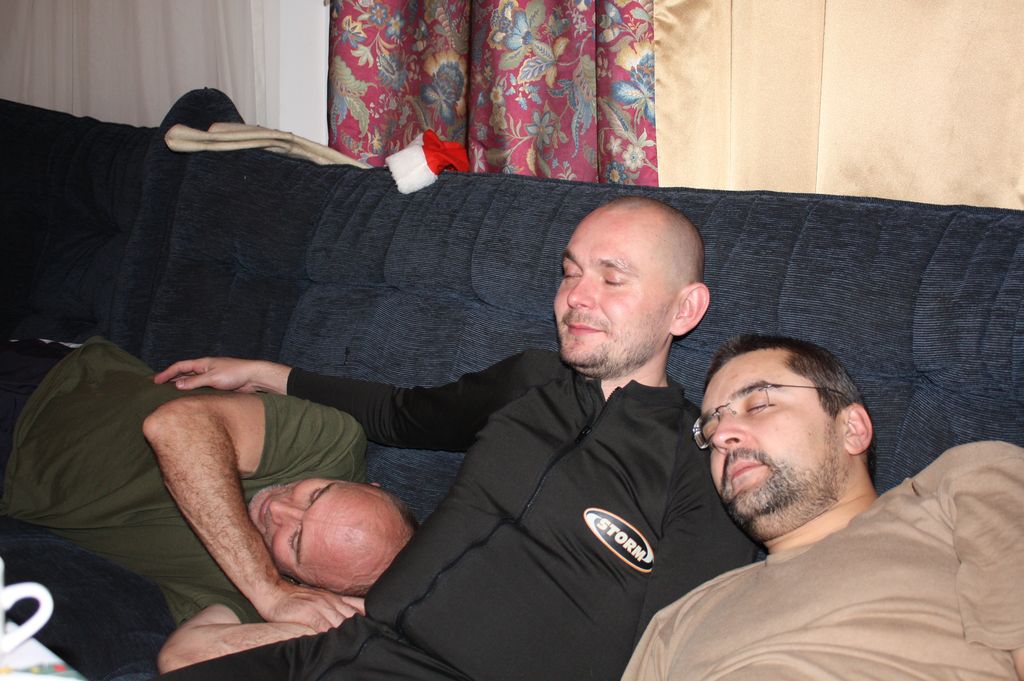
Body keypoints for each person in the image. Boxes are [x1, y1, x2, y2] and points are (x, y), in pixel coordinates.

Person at [153, 196, 759, 680]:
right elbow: (399, 414)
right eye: (571, 272)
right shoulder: (528, 381)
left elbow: (677, 649)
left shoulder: (700, 467)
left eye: (613, 278)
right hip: (351, 651)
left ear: (684, 310)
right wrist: (266, 374)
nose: (575, 296)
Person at [620, 334, 1024, 681]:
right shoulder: (678, 620)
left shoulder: (965, 485)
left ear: (852, 429)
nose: (723, 434)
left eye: (758, 405)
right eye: (710, 428)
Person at [0, 337, 416, 672]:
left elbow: (183, 658)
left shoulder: (271, 603)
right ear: (366, 485)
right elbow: (176, 426)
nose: (278, 509)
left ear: (312, 586)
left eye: (296, 541)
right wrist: (269, 590)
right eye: (315, 495)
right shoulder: (331, 444)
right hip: (47, 389)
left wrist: (343, 629)